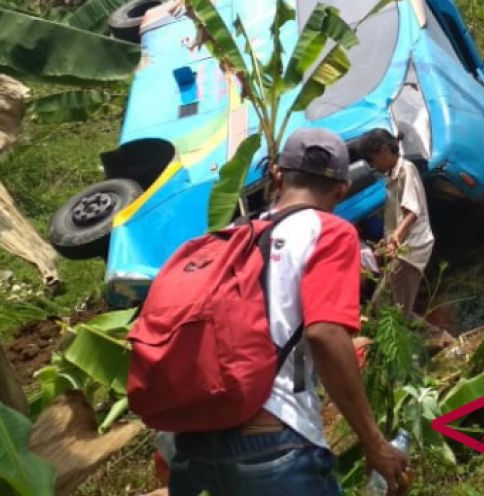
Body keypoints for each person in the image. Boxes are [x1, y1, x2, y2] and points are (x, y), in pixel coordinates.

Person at [165, 129, 406, 496]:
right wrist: (374, 442)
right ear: (342, 190)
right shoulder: (329, 232)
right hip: (271, 444)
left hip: (192, 447)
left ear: (277, 176)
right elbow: (324, 333)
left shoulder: (229, 236)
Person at [362, 129, 435, 320]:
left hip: (411, 248)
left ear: (385, 150)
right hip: (403, 248)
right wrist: (387, 242)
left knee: (388, 307)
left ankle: (442, 343)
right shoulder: (392, 176)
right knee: (394, 306)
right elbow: (396, 216)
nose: (374, 165)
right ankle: (443, 342)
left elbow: (412, 211)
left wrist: (396, 237)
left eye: (373, 158)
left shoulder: (406, 170)